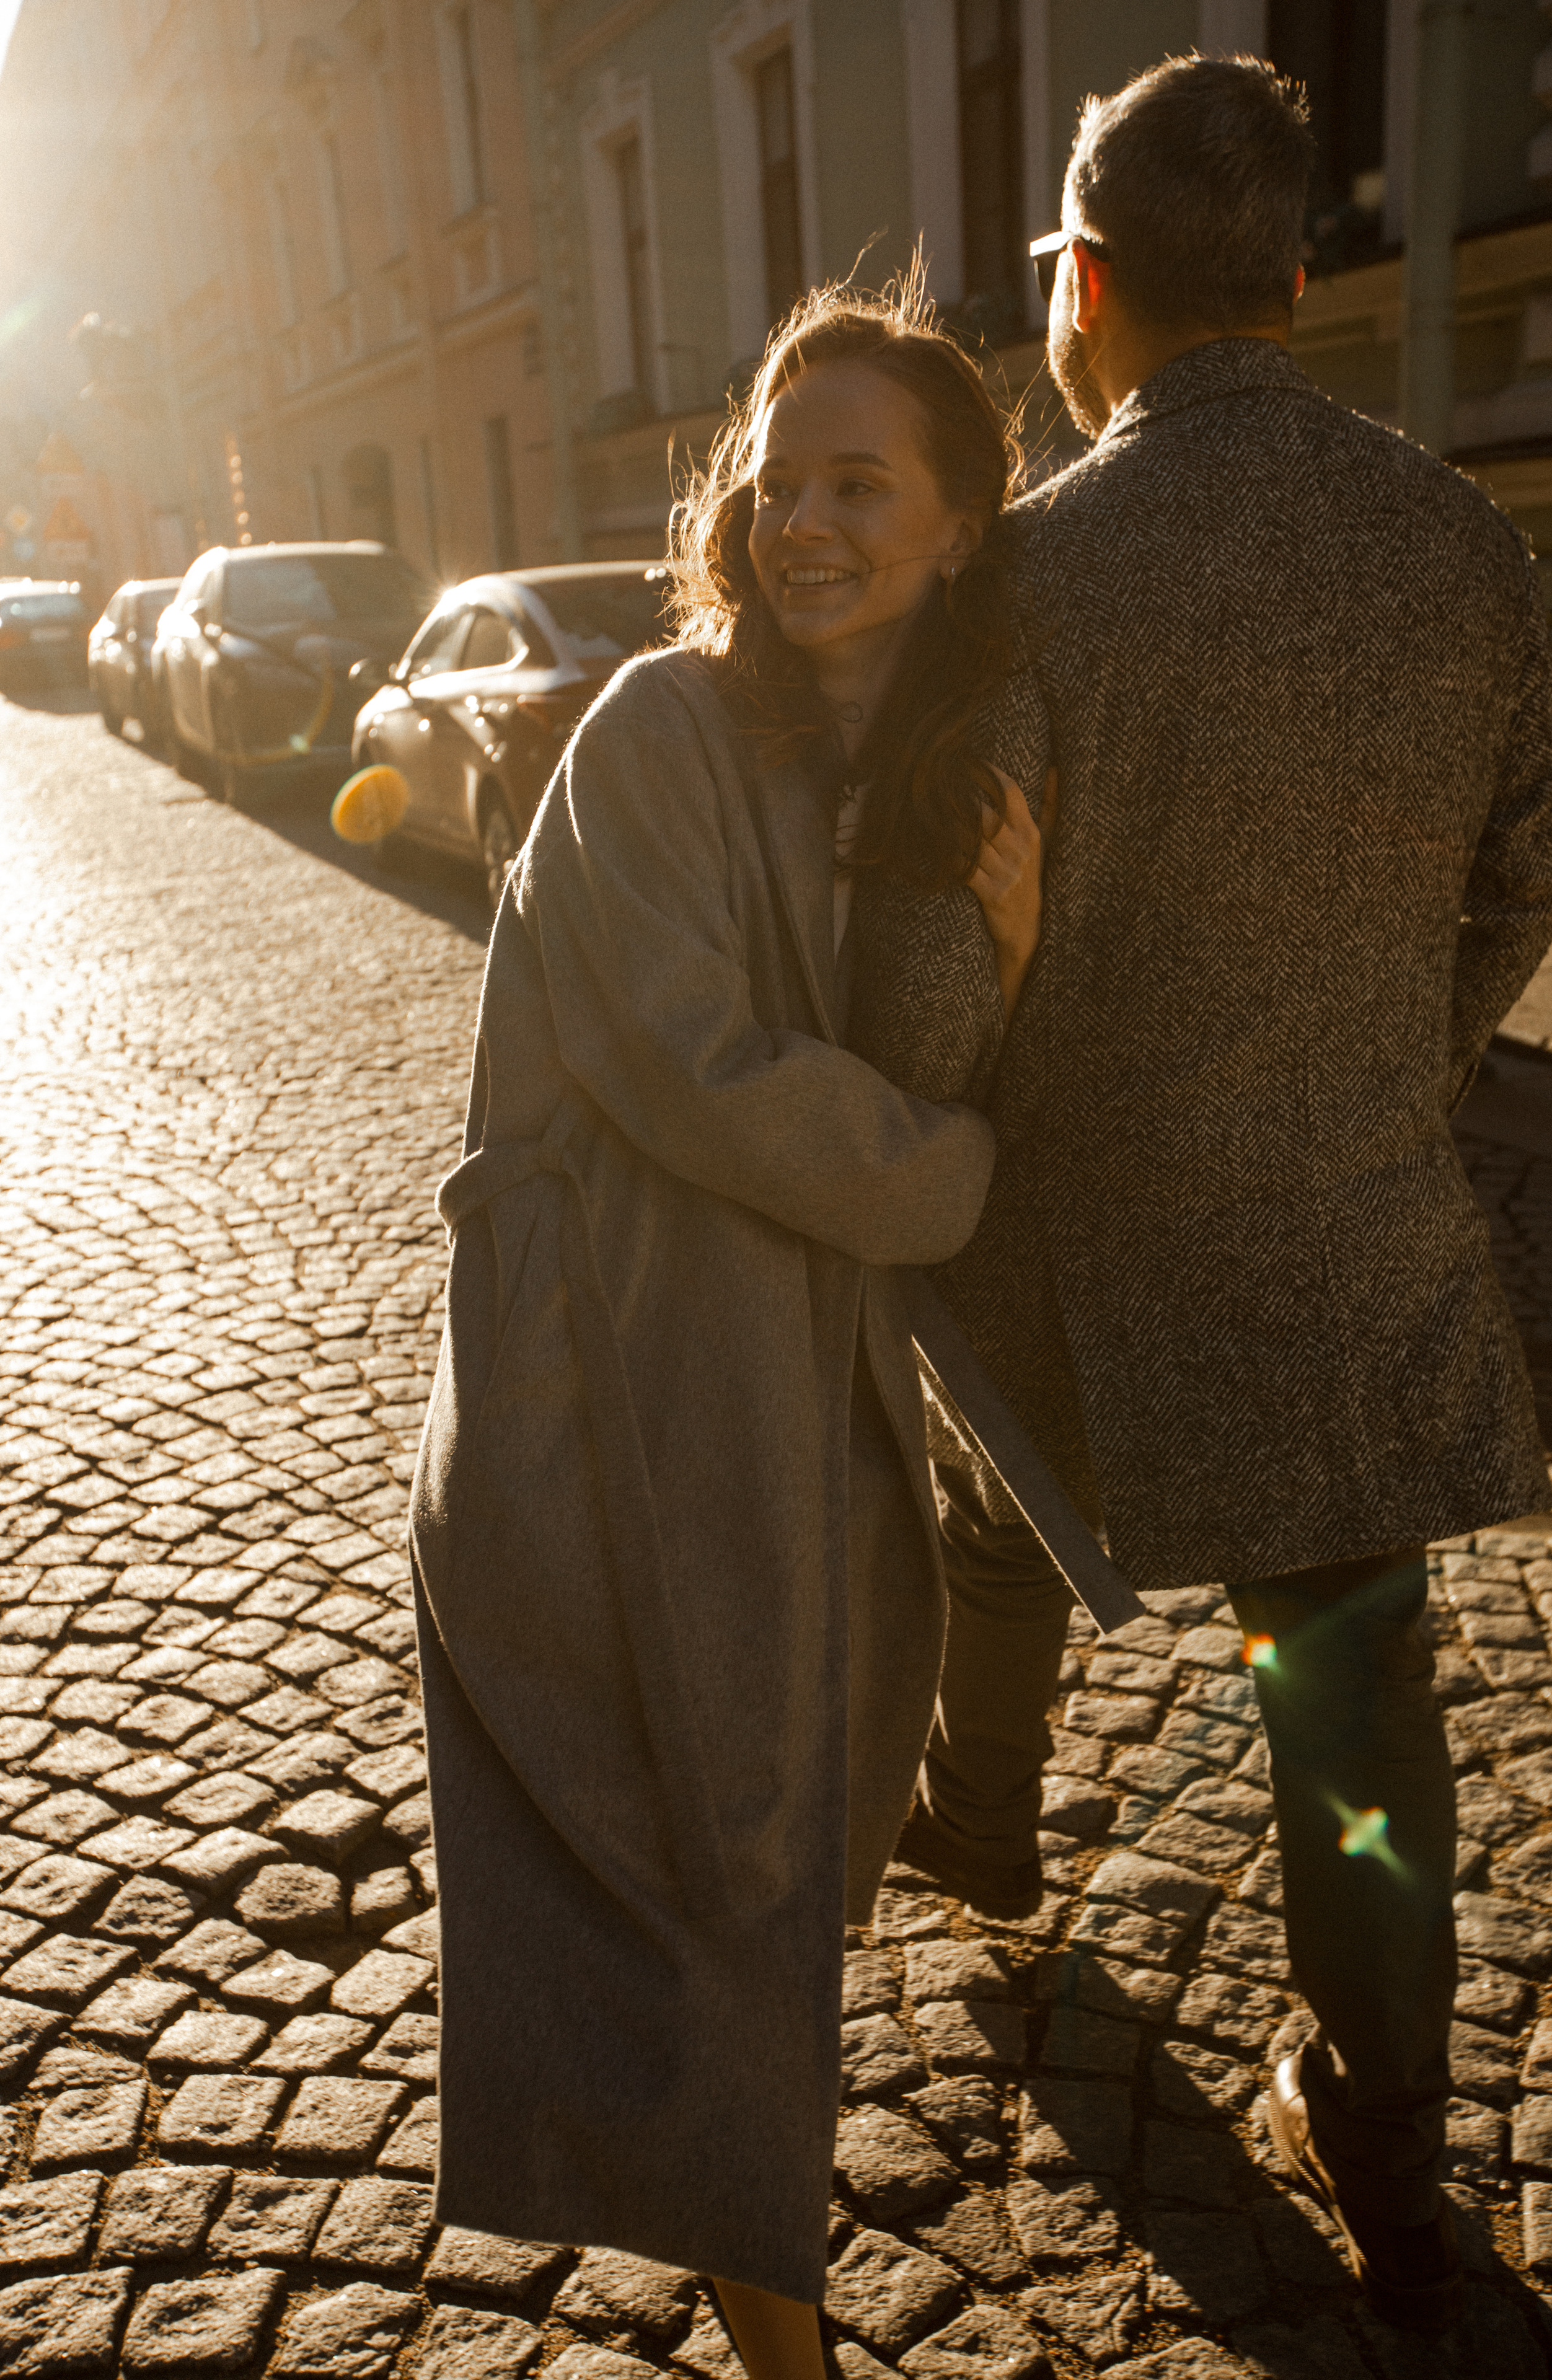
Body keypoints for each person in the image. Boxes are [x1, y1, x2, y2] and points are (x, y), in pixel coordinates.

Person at [853, 55, 1552, 2336]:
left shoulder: (1034, 583)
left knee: (981, 1426)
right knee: (1356, 1720)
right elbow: (1518, 884)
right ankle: (1383, 2149)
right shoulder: (1464, 543)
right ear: (1290, 274)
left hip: (1083, 1260)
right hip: (1351, 1243)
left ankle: (976, 1817)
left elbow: (942, 988)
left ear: (1080, 286)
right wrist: (1393, 1071)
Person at [408, 277, 1045, 2380]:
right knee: (704, 1885)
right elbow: (699, 1062)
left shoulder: (933, 756)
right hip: (611, 1403)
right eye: (781, 481)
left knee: (765, 1869)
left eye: (862, 483)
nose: (804, 522)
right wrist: (947, 1162)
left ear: (965, 518)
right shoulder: (656, 730)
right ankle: (789, 2352)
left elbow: (913, 1053)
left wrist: (1011, 960)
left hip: (784, 1405)